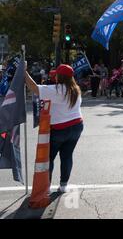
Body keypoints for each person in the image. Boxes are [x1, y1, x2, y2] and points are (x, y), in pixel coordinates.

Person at [24, 64, 83, 193]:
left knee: (49, 158)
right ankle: (63, 186)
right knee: (67, 156)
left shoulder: (57, 90)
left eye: (56, 74)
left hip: (60, 128)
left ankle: (46, 187)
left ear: (59, 76)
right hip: (77, 126)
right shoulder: (76, 89)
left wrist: (24, 72)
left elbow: (34, 88)